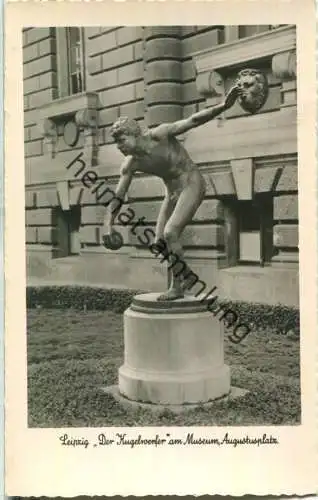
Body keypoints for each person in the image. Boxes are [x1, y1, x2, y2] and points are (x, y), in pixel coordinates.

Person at [102, 85, 239, 301]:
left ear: (134, 134)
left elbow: (192, 121)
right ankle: (174, 286)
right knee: (160, 242)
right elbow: (118, 196)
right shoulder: (131, 164)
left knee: (170, 232)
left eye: (121, 139)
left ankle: (178, 287)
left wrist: (223, 106)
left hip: (192, 183)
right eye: (116, 142)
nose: (119, 146)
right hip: (172, 192)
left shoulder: (160, 134)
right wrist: (107, 224)